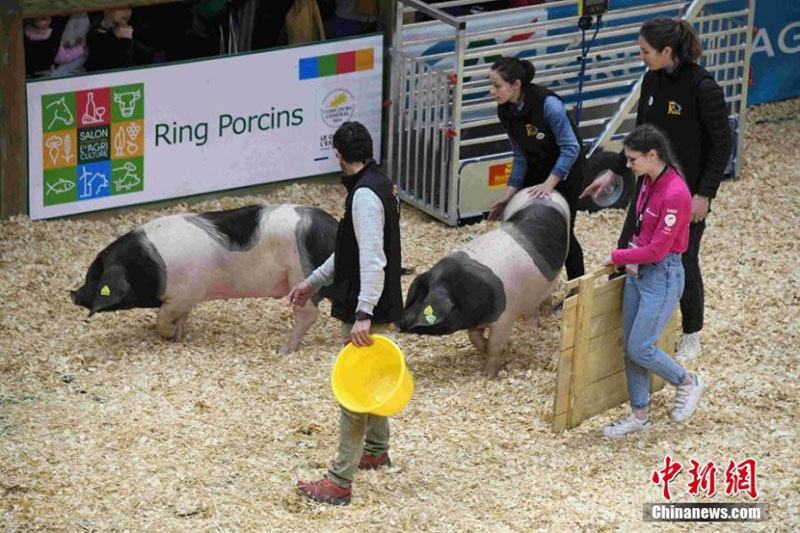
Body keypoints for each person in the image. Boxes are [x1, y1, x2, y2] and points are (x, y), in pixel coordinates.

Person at [581, 17, 732, 363]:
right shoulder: (651, 80)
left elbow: (721, 144)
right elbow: (641, 135)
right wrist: (614, 171)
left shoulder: (702, 87)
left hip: (685, 193)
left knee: (683, 260)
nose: (642, 56)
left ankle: (691, 332)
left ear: (667, 51)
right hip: (649, 188)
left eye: (645, 51)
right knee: (627, 251)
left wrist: (705, 193)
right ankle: (619, 324)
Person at [288, 121, 403, 506]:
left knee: (354, 393)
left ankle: (339, 482)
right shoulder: (380, 183)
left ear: (338, 154)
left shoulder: (365, 197)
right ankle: (376, 449)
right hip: (375, 300)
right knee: (374, 379)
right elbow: (351, 250)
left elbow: (372, 259)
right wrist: (312, 283)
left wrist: (364, 313)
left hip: (367, 303)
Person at [601, 124, 704, 438]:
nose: (628, 165)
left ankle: (687, 381)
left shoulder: (675, 193)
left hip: (662, 273)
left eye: (633, 159)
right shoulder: (646, 181)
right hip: (638, 270)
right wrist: (628, 258)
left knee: (641, 347)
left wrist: (618, 257)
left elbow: (659, 248)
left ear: (652, 155)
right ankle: (639, 415)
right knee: (631, 348)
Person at [487, 56, 585, 281]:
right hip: (536, 166)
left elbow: (571, 148)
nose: (492, 91)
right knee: (522, 225)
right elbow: (520, 154)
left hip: (567, 171)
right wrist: (508, 194)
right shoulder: (505, 110)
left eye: (497, 86)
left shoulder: (549, 105)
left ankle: (577, 288)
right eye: (491, 85)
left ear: (516, 85)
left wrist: (550, 184)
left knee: (563, 233)